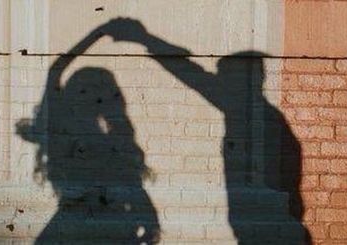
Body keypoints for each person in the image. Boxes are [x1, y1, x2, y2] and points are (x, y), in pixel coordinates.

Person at [99, 18, 308, 243]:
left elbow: (195, 76)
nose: (220, 80)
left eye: (224, 75)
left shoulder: (250, 111)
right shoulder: (257, 113)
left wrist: (146, 39)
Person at [16, 25, 160, 243]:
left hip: (80, 226)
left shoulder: (62, 135)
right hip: (110, 225)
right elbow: (134, 188)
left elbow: (55, 70)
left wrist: (97, 34)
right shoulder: (114, 142)